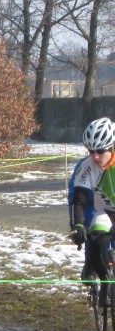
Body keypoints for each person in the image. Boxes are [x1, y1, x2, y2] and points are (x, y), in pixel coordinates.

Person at [69, 117, 115, 300]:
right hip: (104, 211)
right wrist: (78, 226)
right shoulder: (87, 166)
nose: (95, 157)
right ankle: (104, 280)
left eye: (100, 151)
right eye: (91, 151)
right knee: (95, 235)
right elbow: (78, 200)